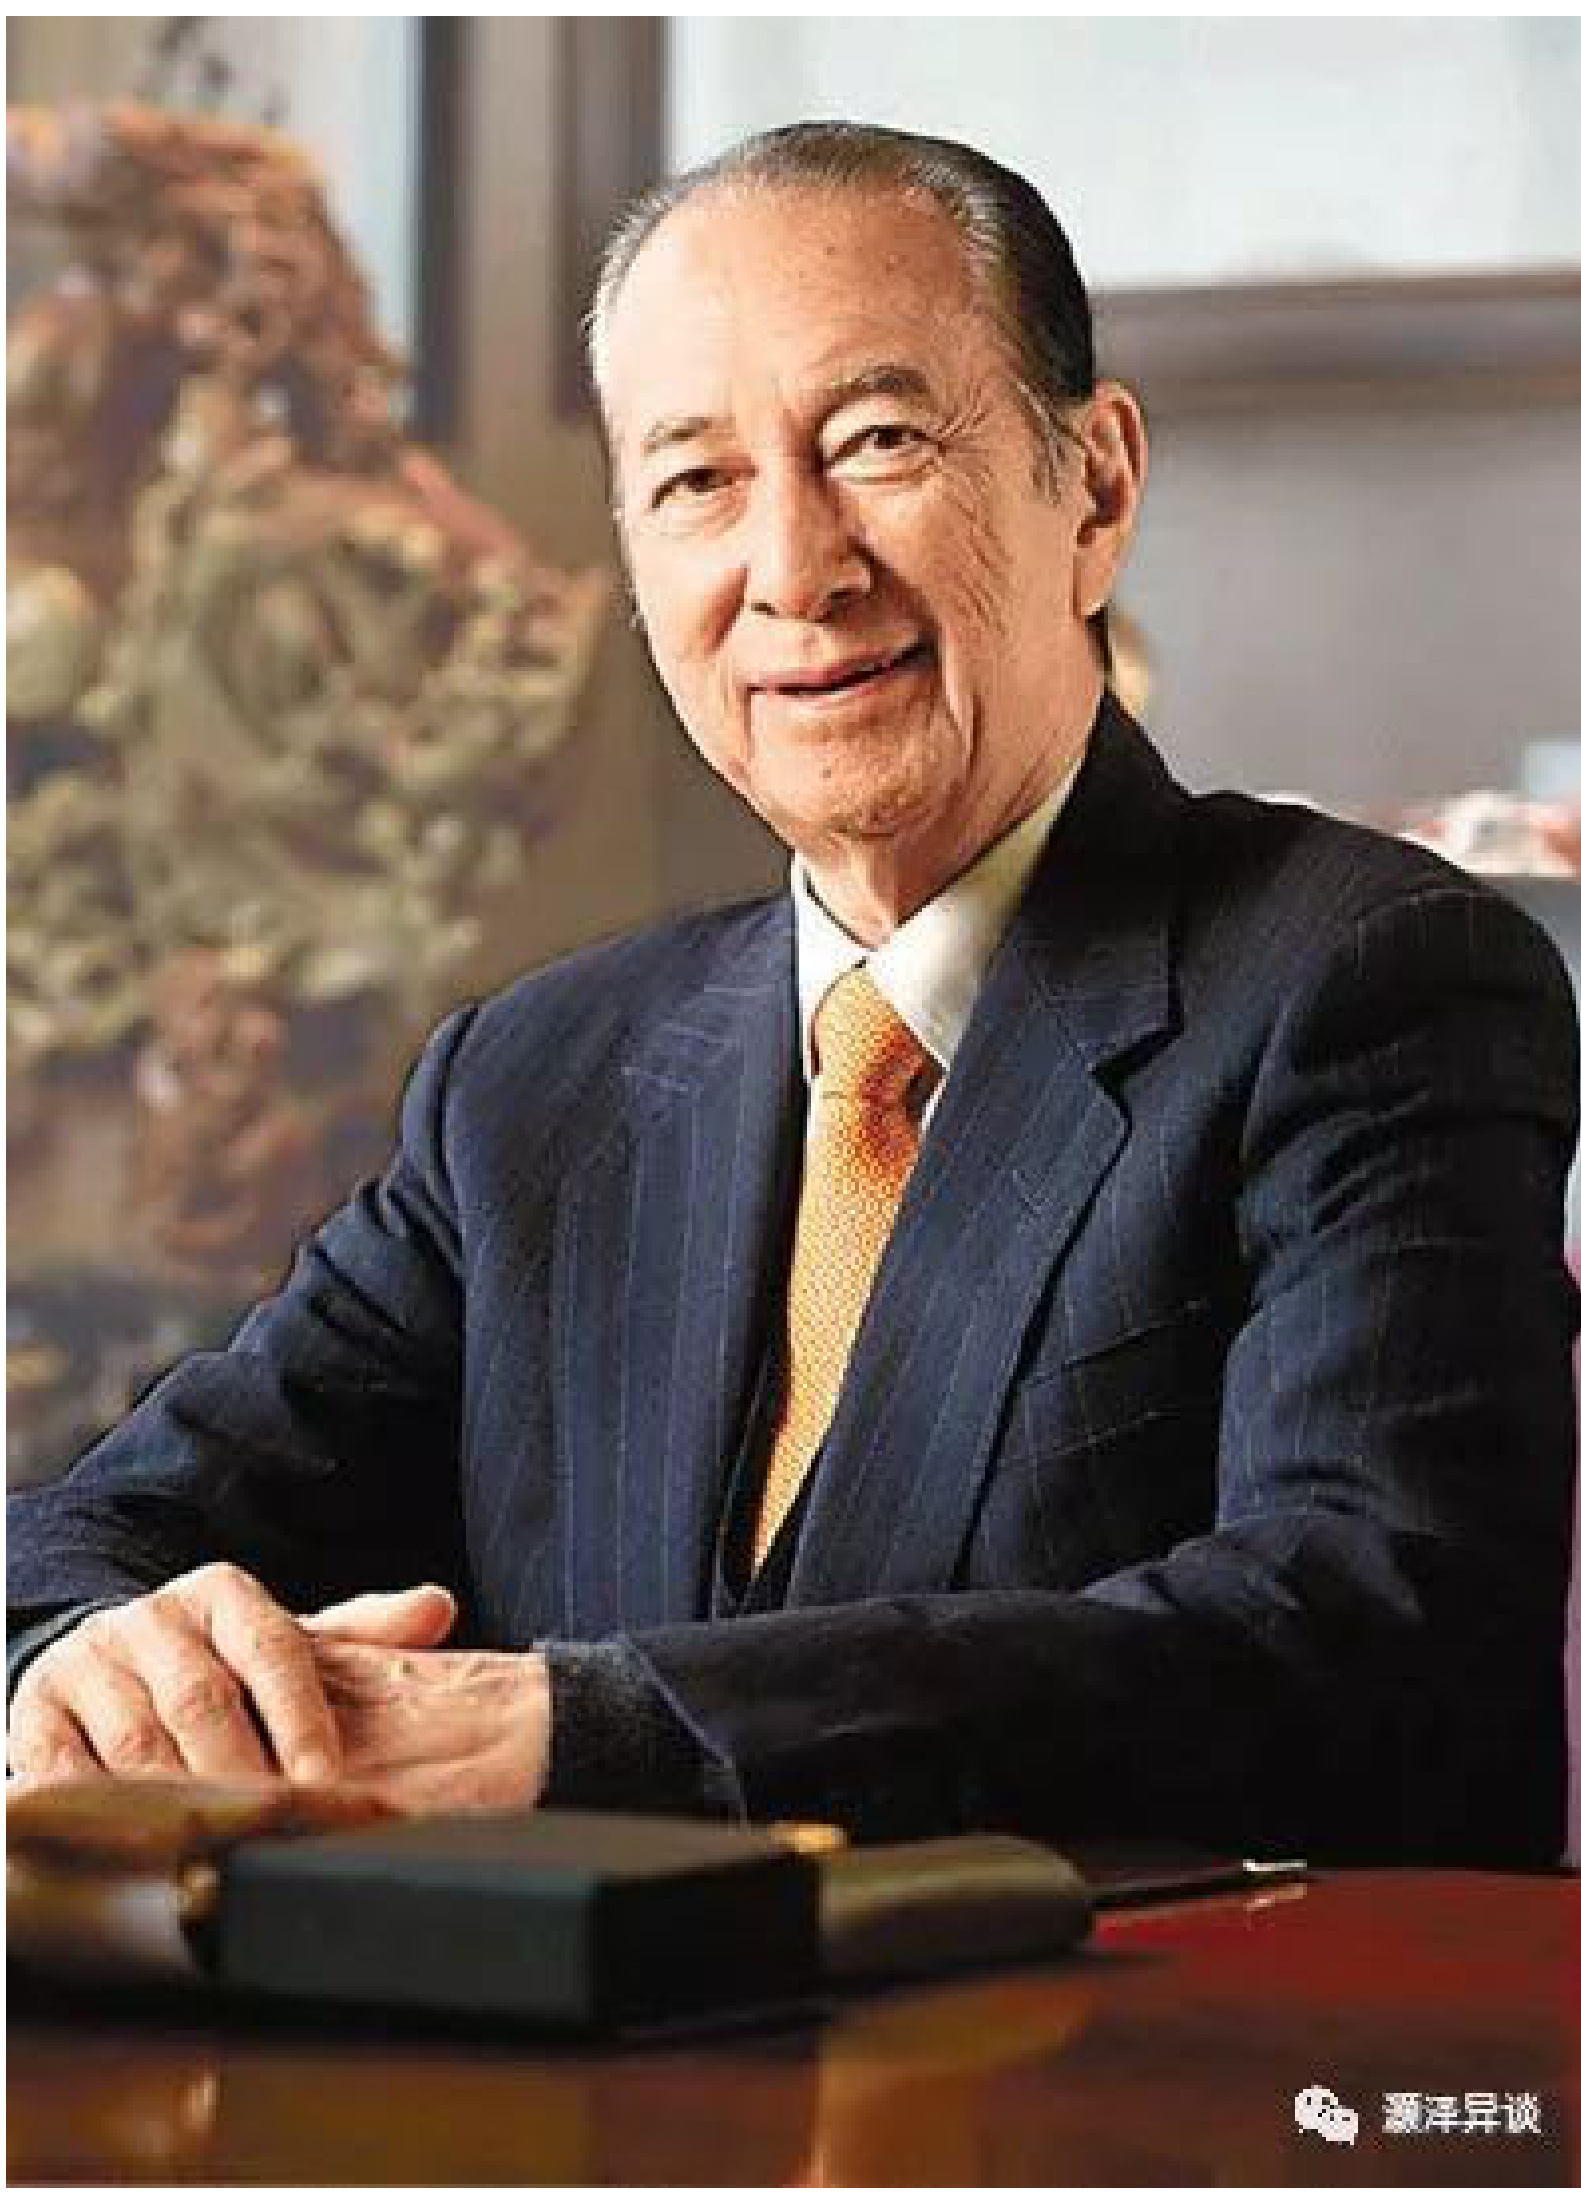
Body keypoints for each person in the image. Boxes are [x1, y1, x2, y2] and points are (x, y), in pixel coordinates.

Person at [8, 123, 1578, 1861]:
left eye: (876, 442)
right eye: (695, 481)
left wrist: (583, 1732)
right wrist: (98, 1658)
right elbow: (86, 1540)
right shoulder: (536, 1078)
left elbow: (1379, 1640)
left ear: (1095, 488)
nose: (793, 567)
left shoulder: (1363, 980)